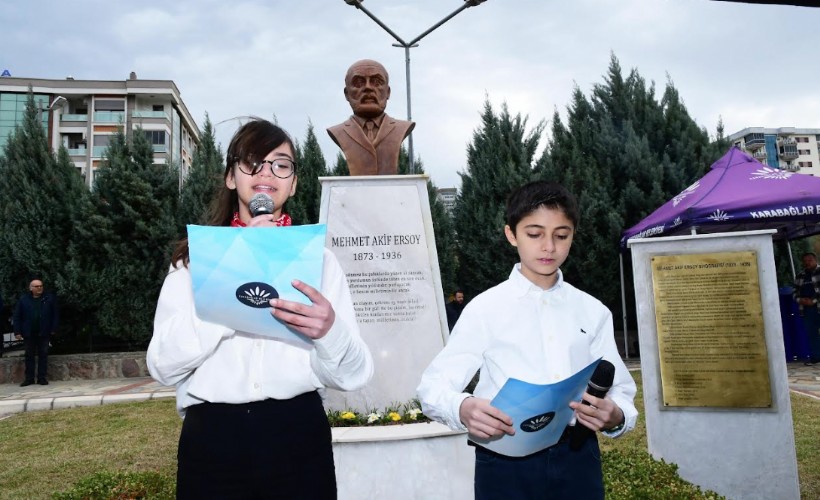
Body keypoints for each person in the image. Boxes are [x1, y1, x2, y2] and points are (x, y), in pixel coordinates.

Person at [147, 119, 374, 499]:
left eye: (280, 164)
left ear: (293, 182)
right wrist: (233, 274)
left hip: (297, 436)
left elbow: (355, 375)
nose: (266, 172)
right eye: (252, 161)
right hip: (213, 440)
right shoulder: (194, 262)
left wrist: (329, 332)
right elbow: (162, 366)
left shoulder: (321, 263)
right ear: (231, 177)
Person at [417, 181, 638, 500]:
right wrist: (462, 407)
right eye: (534, 234)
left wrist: (616, 416)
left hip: (578, 457)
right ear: (512, 234)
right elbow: (432, 387)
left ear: (572, 236)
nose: (549, 246)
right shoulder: (485, 309)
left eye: (561, 235)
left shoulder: (593, 311)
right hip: (504, 463)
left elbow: (621, 388)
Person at [327, 59, 415, 176]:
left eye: (377, 82)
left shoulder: (401, 128)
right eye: (358, 83)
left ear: (388, 92)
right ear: (347, 94)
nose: (368, 87)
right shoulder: (338, 132)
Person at [14, 277, 59, 386]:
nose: (39, 288)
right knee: (29, 355)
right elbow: (17, 316)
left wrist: (53, 328)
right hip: (29, 333)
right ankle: (29, 378)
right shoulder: (23, 300)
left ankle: (42, 378)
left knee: (43, 354)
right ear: (31, 288)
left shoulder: (49, 299)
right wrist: (17, 332)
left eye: (41, 286)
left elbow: (55, 315)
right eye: (37, 286)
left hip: (44, 332)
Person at [793, 251, 820, 365]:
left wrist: (813, 301)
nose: (807, 263)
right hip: (806, 309)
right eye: (805, 261)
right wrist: (800, 300)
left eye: (810, 260)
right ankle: (816, 357)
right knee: (811, 334)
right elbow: (794, 292)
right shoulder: (800, 275)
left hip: (817, 305)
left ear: (815, 260)